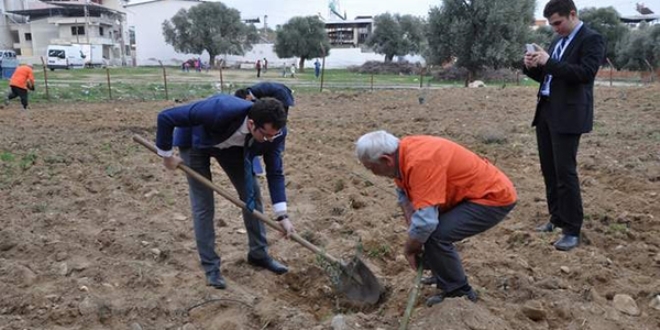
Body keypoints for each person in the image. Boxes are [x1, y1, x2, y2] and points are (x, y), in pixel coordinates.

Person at [355, 131, 517, 306]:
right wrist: (414, 232)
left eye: (371, 168)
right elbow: (405, 196)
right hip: (467, 194)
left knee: (436, 235)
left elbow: (426, 223)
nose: (371, 173)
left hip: (491, 197)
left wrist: (410, 248)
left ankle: (459, 291)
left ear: (387, 160)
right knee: (424, 233)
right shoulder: (402, 154)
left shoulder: (420, 161)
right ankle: (442, 273)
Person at [155, 95, 295, 289]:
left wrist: (282, 215)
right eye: (266, 135)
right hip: (197, 142)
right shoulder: (219, 109)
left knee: (252, 194)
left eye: (274, 135)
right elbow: (166, 117)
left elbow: (275, 171)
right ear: (252, 124)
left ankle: (258, 254)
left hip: (234, 149)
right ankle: (211, 267)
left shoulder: (275, 133)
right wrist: (167, 156)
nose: (270, 140)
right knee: (204, 205)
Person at [523, 0, 605, 251]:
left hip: (568, 115)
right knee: (550, 170)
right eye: (552, 24)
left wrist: (548, 62)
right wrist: (531, 66)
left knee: (565, 172)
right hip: (546, 110)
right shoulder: (558, 41)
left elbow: (584, 73)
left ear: (572, 14)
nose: (555, 28)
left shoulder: (592, 39)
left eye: (558, 23)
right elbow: (551, 74)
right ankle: (556, 218)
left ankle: (572, 229)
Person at [234, 82, 295, 177]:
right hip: (278, 98)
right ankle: (257, 166)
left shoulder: (256, 94)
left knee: (276, 128)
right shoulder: (252, 96)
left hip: (280, 98)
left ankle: (278, 148)